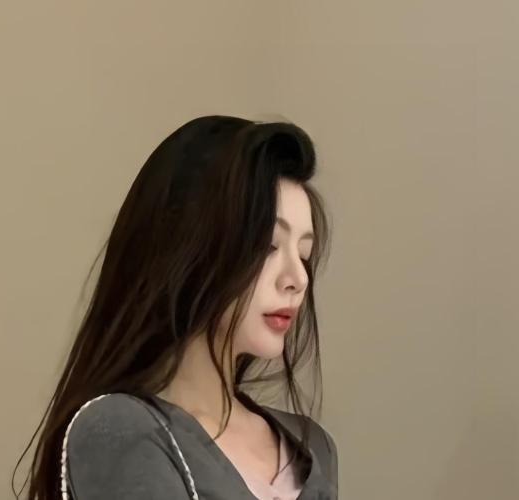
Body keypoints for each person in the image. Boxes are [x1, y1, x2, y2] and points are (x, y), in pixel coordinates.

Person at [17, 115, 338, 500]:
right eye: (269, 246)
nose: (298, 278)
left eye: (304, 254)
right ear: (189, 247)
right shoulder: (123, 431)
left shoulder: (313, 448)